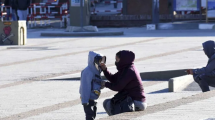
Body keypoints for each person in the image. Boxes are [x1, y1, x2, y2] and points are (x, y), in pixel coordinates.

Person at [100, 50, 147, 116]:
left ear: (123, 60)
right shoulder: (125, 69)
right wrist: (105, 70)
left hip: (137, 102)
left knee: (109, 105)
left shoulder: (129, 71)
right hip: (130, 100)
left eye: (117, 59)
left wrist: (105, 84)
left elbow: (118, 86)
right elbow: (113, 79)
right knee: (107, 102)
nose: (116, 62)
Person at [79, 51, 106, 120]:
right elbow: (85, 87)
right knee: (89, 116)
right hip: (88, 99)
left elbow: (95, 82)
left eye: (101, 61)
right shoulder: (87, 72)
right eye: (99, 61)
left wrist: (101, 84)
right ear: (94, 60)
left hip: (94, 98)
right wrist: (85, 101)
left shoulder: (96, 70)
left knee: (93, 115)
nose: (100, 63)